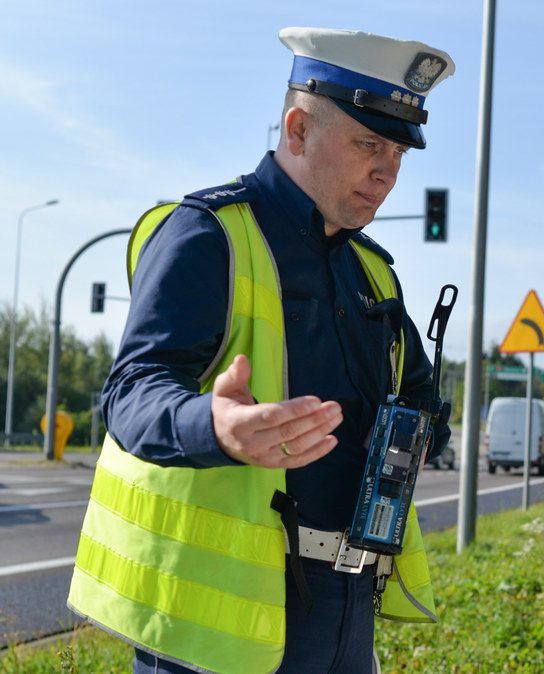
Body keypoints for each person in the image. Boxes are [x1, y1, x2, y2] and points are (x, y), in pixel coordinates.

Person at [66, 27, 454, 674]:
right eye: (367, 144)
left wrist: (419, 432)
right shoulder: (206, 236)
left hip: (347, 614)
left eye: (397, 152)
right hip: (218, 635)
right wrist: (214, 427)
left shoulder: (376, 275)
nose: (386, 171)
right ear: (297, 131)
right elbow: (130, 394)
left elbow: (418, 408)